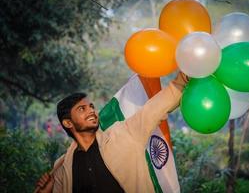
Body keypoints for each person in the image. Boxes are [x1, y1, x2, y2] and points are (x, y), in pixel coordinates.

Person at [35, 72, 188, 193]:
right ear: (68, 123)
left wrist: (182, 80)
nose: (91, 111)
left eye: (91, 106)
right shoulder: (63, 168)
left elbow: (152, 110)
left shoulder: (123, 134)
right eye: (82, 109)